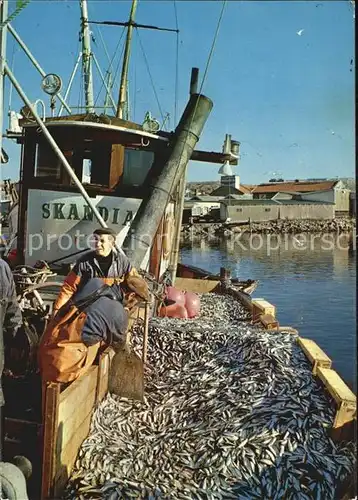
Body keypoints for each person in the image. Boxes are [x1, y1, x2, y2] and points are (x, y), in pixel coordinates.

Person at [38, 275, 150, 384]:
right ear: (131, 296)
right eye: (136, 302)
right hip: (61, 364)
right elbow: (120, 345)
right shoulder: (118, 313)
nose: (132, 306)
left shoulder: (93, 283)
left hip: (46, 344)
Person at [52, 228, 139, 316]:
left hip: (112, 311)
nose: (97, 244)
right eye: (96, 239)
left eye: (102, 241)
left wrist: (127, 307)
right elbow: (69, 287)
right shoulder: (84, 262)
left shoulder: (122, 262)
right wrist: (57, 309)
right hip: (88, 312)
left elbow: (136, 286)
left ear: (111, 244)